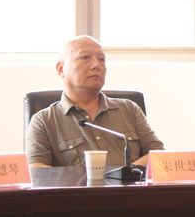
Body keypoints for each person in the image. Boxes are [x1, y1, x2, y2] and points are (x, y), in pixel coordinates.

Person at [26, 35, 164, 168]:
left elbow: (157, 155)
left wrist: (123, 175)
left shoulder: (129, 109)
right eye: (85, 58)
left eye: (101, 59)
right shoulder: (44, 121)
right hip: (77, 186)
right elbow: (37, 169)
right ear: (61, 69)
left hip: (130, 185)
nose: (96, 65)